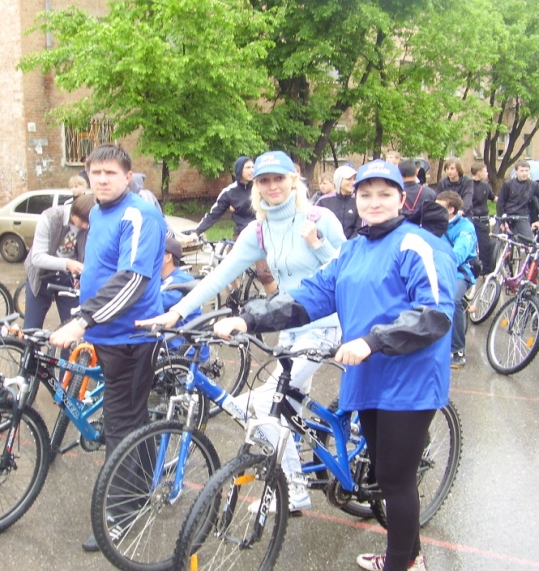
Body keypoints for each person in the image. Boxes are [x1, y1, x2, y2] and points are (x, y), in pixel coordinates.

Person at [212, 159, 455, 571]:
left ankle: (401, 565)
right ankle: (409, 556)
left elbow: (434, 314)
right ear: (355, 199)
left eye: (384, 194)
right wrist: (249, 319)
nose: (374, 202)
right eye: (366, 194)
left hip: (409, 378)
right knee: (385, 471)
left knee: (395, 478)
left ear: (401, 198)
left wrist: (371, 341)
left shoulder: (417, 245)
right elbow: (310, 297)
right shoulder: (353, 250)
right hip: (367, 373)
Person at [137, 150, 346, 514]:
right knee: (286, 409)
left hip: (324, 328)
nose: (272, 186)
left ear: (293, 180)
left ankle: (294, 489)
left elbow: (349, 272)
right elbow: (221, 275)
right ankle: (294, 482)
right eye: (264, 180)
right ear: (256, 186)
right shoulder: (259, 230)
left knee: (263, 405)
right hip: (289, 329)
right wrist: (177, 312)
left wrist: (318, 244)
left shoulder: (319, 218)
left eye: (279, 178)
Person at [47, 144, 166, 553]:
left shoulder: (139, 214)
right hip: (106, 333)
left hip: (131, 338)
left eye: (110, 173)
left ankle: (121, 512)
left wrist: (82, 320)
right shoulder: (98, 212)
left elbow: (133, 281)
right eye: (95, 173)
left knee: (120, 423)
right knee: (133, 418)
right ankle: (143, 485)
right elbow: (102, 266)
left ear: (128, 176)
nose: (101, 179)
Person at [190, 155, 276, 293]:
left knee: (265, 274)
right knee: (227, 269)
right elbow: (214, 214)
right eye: (248, 167)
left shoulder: (260, 187)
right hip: (240, 234)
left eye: (253, 167)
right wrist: (197, 232)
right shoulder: (229, 192)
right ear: (239, 170)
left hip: (261, 234)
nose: (251, 170)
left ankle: (274, 301)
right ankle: (234, 297)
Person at [23, 194, 94, 329]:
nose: (86, 226)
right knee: (31, 328)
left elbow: (87, 252)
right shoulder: (50, 217)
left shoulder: (89, 226)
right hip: (40, 275)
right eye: (83, 221)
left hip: (67, 276)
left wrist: (79, 275)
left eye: (89, 222)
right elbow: (37, 257)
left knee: (72, 325)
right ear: (74, 213)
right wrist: (68, 263)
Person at [435, 191, 478, 369]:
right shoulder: (433, 223)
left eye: (439, 207)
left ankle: (458, 350)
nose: (434, 209)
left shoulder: (465, 228)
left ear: (451, 209)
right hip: (435, 270)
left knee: (453, 299)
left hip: (459, 272)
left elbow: (458, 255)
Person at [496, 159, 539, 241]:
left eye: (526, 171)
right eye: (522, 171)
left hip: (522, 216)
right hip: (507, 215)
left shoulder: (533, 185)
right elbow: (500, 203)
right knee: (495, 241)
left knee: (528, 241)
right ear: (516, 172)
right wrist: (502, 220)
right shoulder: (508, 184)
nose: (524, 173)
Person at [317, 164, 360, 238]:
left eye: (354, 179)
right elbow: (317, 226)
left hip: (353, 244)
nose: (352, 182)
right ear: (338, 180)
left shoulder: (358, 201)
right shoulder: (323, 201)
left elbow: (359, 229)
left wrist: (348, 244)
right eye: (348, 179)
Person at [469, 163, 495, 274]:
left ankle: (486, 269)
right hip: (471, 218)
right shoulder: (468, 185)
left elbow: (492, 198)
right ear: (479, 173)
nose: (487, 173)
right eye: (485, 171)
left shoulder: (485, 185)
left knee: (485, 245)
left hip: (483, 218)